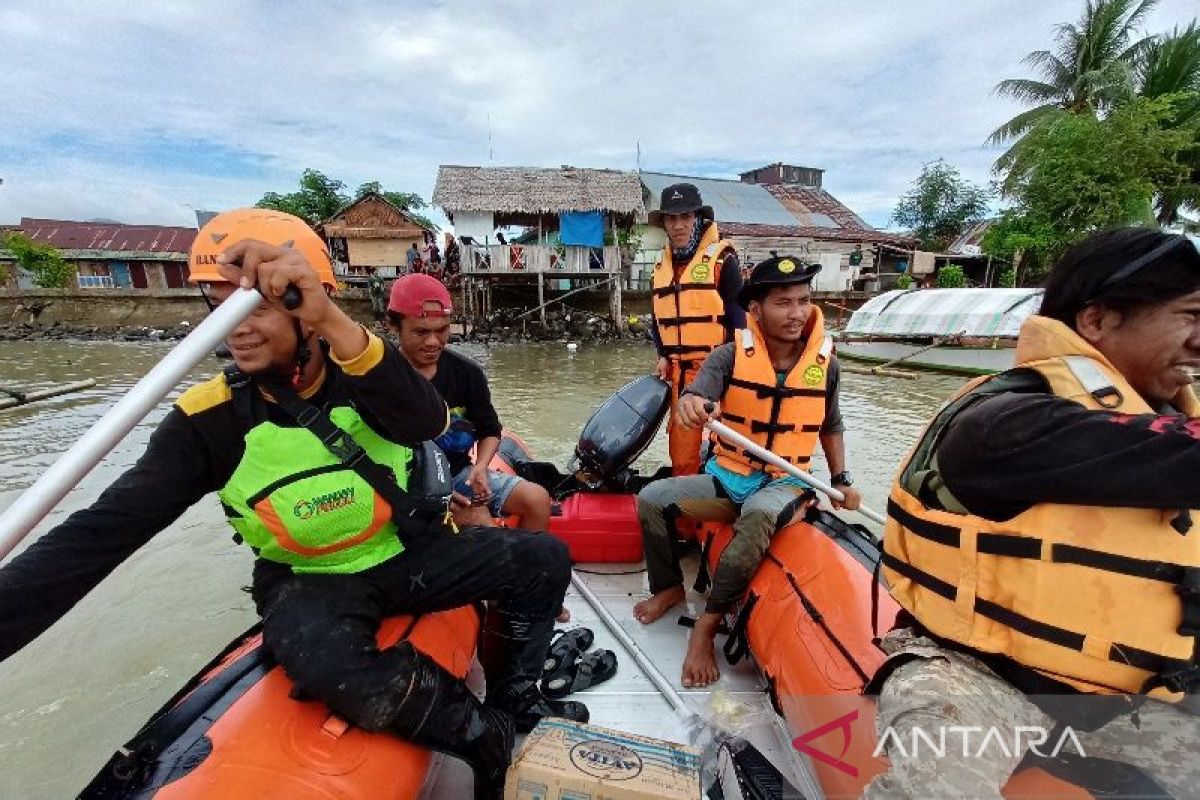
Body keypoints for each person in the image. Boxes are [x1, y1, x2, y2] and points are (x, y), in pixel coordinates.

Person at [0, 209, 586, 800]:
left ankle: (517, 697)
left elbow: (427, 418)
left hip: (412, 549)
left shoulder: (364, 368)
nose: (238, 330)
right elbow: (96, 535)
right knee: (334, 666)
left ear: (308, 306)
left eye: (257, 305)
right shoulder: (209, 421)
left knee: (542, 559)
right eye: (220, 306)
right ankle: (486, 733)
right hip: (311, 578)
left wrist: (330, 318)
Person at [867, 229, 1200, 798]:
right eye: (1189, 316)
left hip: (1139, 695)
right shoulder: (1004, 423)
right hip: (978, 676)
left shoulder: (1164, 416)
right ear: (1096, 321)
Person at [633, 255, 861, 687]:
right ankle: (669, 587)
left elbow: (830, 425)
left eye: (803, 301)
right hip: (729, 476)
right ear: (756, 309)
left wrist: (840, 480)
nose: (796, 313)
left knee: (757, 513)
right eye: (783, 303)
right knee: (651, 499)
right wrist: (690, 404)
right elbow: (698, 395)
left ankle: (707, 622)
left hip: (786, 482)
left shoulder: (826, 364)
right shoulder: (728, 356)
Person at [386, 273, 553, 533]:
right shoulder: (380, 377)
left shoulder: (466, 373)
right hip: (399, 485)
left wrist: (480, 467)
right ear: (394, 327)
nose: (433, 342)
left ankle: (527, 566)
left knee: (538, 500)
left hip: (457, 476)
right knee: (479, 523)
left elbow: (489, 429)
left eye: (441, 331)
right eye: (420, 332)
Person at [648, 183, 746, 476]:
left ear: (697, 218)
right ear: (664, 223)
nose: (678, 225)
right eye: (671, 218)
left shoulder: (722, 260)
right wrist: (663, 354)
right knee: (682, 453)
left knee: (730, 448)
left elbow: (738, 319)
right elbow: (657, 317)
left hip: (720, 369)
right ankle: (686, 513)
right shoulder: (661, 265)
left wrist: (733, 369)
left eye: (685, 217)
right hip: (680, 375)